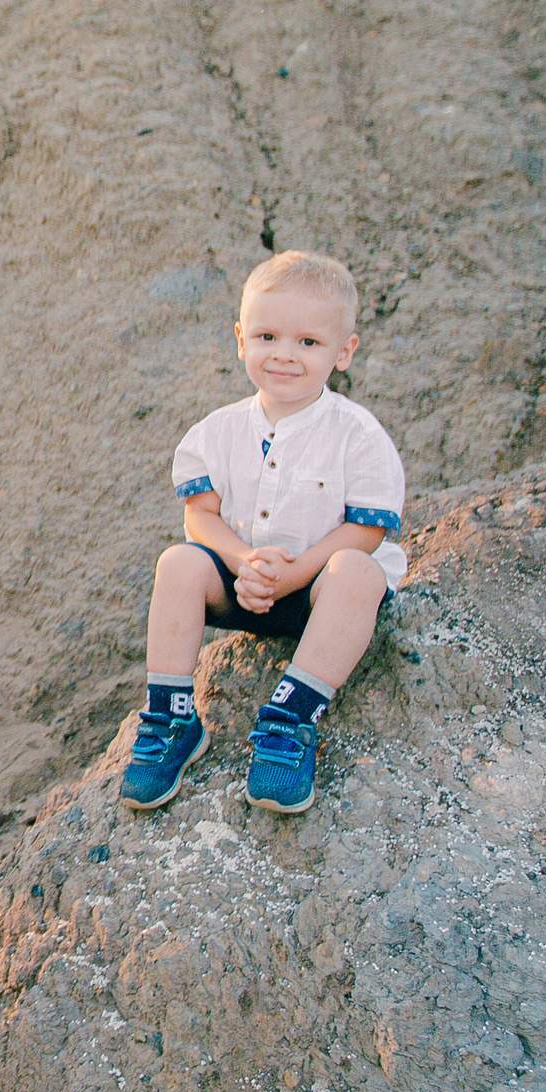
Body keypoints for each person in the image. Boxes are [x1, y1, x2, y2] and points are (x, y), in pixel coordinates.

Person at [116, 250, 406, 816]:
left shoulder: (359, 435)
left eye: (308, 342)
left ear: (343, 352)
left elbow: (365, 532)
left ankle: (289, 720)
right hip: (241, 587)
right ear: (241, 339)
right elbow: (200, 517)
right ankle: (171, 718)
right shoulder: (216, 431)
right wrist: (244, 561)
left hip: (318, 595)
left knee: (358, 572)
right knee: (178, 562)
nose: (284, 355)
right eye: (267, 336)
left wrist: (293, 575)